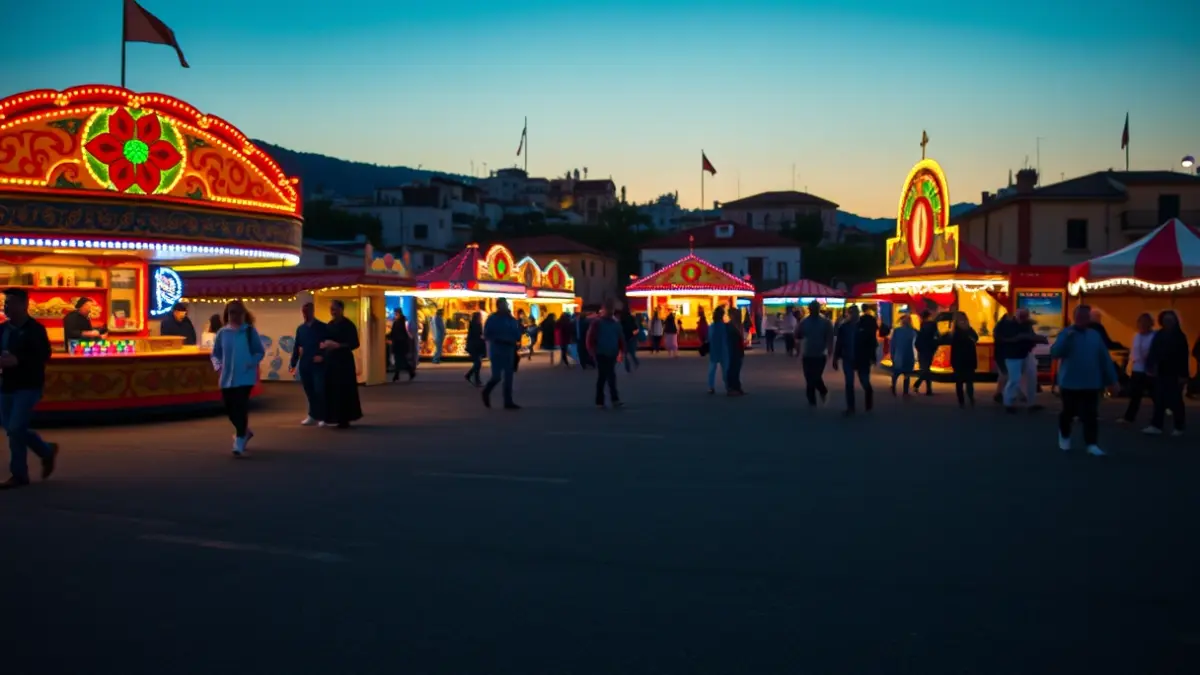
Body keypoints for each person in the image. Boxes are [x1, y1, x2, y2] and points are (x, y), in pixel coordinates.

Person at [0, 288, 58, 488]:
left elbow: (44, 355)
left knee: (15, 428)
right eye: (5, 303)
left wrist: (18, 360)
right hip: (6, 385)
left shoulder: (35, 329)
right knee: (12, 428)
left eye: (11, 303)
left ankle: (19, 474)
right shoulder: (3, 329)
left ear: (24, 305)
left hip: (28, 385)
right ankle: (46, 450)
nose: (7, 307)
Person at [1051, 305, 1118, 455]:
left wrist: (1112, 380)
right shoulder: (1066, 333)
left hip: (1091, 382)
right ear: (1075, 317)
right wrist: (1066, 341)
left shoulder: (1095, 335)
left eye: (1085, 316)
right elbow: (1055, 353)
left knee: (1091, 414)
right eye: (1079, 316)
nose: (1082, 319)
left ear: (1088, 318)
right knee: (1068, 412)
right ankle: (1065, 437)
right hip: (1070, 382)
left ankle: (1091, 443)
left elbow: (1104, 359)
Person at [210, 300, 265, 456]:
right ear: (227, 314)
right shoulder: (222, 333)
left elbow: (259, 351)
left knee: (240, 408)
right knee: (230, 409)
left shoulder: (249, 331)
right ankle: (244, 431)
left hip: (245, 377)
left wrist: (251, 362)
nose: (234, 315)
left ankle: (239, 440)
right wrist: (218, 366)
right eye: (231, 312)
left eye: (237, 312)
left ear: (243, 314)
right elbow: (215, 354)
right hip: (227, 377)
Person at [1144, 309, 1189, 436]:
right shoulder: (1159, 335)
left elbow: (1183, 356)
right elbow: (1153, 351)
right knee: (1159, 399)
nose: (1167, 322)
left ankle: (1179, 426)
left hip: (1174, 373)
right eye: (1165, 320)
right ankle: (1156, 425)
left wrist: (1183, 375)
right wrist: (1151, 366)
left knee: (1176, 400)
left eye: (1170, 320)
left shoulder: (1180, 336)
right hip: (1161, 372)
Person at [320, 299, 362, 428]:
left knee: (343, 389)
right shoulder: (330, 324)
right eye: (331, 309)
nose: (332, 312)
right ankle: (331, 416)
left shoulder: (348, 325)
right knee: (331, 389)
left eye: (334, 309)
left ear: (341, 310)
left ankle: (344, 418)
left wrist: (338, 345)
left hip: (344, 362)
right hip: (331, 361)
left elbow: (355, 343)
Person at [289, 302, 328, 426]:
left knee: (319, 390)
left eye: (307, 311)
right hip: (305, 363)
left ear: (312, 311)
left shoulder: (322, 327)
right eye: (303, 312)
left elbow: (327, 345)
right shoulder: (301, 329)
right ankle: (313, 415)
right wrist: (293, 362)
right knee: (309, 390)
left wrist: (323, 356)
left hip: (318, 364)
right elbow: (297, 346)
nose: (305, 314)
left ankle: (323, 416)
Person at [832, 304, 876, 414]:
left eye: (855, 312)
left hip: (862, 358)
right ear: (848, 313)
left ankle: (868, 400)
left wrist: (872, 357)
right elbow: (839, 343)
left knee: (864, 381)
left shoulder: (865, 326)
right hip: (848, 358)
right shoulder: (844, 327)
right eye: (851, 312)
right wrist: (835, 358)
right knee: (849, 383)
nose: (853, 315)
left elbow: (872, 342)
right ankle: (850, 407)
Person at [1003, 308, 1046, 413]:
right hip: (1013, 355)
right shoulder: (1009, 326)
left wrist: (1035, 338)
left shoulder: (1026, 325)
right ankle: (1009, 403)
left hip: (1025, 353)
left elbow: (1030, 336)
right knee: (1015, 379)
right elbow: (1005, 339)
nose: (1024, 318)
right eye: (1022, 316)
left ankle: (1029, 402)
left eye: (1025, 316)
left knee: (1031, 377)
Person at [482, 298, 521, 410]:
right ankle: (486, 391)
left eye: (506, 304)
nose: (505, 306)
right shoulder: (492, 319)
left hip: (509, 350)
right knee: (497, 376)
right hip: (497, 350)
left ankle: (508, 401)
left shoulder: (511, 319)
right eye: (503, 304)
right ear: (498, 306)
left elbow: (517, 334)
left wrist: (516, 338)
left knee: (509, 376)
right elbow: (487, 334)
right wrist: (499, 338)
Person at [587, 300, 625, 409]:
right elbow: (590, 338)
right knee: (605, 376)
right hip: (601, 353)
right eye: (608, 309)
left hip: (612, 353)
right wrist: (592, 351)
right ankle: (607, 400)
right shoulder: (597, 323)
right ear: (603, 310)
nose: (610, 311)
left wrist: (621, 351)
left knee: (607, 376)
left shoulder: (615, 323)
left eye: (611, 309)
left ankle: (607, 400)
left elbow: (620, 338)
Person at [796, 300, 834, 406]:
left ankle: (823, 391)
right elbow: (798, 335)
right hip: (807, 353)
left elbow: (830, 338)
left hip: (820, 354)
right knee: (809, 378)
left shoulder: (826, 322)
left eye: (815, 308)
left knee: (816, 376)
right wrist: (798, 350)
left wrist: (830, 351)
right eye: (812, 308)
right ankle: (811, 400)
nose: (813, 310)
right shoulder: (804, 322)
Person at [1119, 313, 1155, 425]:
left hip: (1150, 369)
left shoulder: (1154, 336)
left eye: (1145, 323)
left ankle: (1160, 415)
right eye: (1140, 323)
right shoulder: (1136, 336)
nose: (1142, 325)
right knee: (1135, 395)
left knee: (1155, 394)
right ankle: (1129, 417)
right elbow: (1134, 353)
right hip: (1137, 369)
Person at [943, 312, 979, 408]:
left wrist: (969, 331)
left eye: (964, 319)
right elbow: (948, 340)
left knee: (969, 381)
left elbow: (976, 338)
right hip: (958, 359)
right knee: (959, 381)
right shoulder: (955, 332)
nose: (962, 321)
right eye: (960, 320)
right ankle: (961, 400)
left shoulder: (969, 330)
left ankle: (970, 397)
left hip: (969, 358)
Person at [991, 311, 1017, 404]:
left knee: (1003, 374)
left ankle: (999, 393)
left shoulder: (999, 326)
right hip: (1005, 353)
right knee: (1005, 374)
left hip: (1000, 353)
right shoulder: (1010, 327)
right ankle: (1000, 393)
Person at [889, 314, 917, 396]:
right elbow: (915, 344)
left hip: (898, 355)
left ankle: (893, 387)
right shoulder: (913, 331)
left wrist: (892, 354)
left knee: (896, 372)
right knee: (907, 374)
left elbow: (893, 344)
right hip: (909, 354)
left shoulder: (897, 331)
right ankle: (905, 391)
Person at [911, 310, 938, 395]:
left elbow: (920, 337)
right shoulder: (933, 325)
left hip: (922, 348)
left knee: (925, 369)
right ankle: (927, 389)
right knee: (926, 369)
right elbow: (936, 336)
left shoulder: (922, 325)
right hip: (929, 348)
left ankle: (921, 386)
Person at [707, 306, 729, 394]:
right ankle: (728, 386)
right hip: (724, 349)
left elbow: (709, 337)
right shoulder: (725, 326)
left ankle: (711, 386)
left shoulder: (712, 326)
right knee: (725, 369)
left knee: (712, 369)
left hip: (714, 349)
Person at [725, 307, 746, 395]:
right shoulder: (730, 326)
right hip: (733, 350)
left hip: (737, 350)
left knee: (736, 370)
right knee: (733, 369)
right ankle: (732, 388)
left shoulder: (736, 325)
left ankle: (736, 387)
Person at [390, 309, 414, 382]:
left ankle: (408, 372)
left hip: (400, 344)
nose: (395, 315)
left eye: (396, 313)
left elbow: (396, 332)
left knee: (401, 360)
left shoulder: (400, 322)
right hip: (400, 343)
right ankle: (398, 375)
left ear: (399, 313)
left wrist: (389, 337)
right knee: (400, 360)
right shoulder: (400, 322)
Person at [464, 311, 485, 386]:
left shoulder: (473, 324)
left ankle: (471, 376)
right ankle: (475, 379)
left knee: (477, 363)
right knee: (478, 363)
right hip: (475, 346)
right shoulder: (477, 325)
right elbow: (478, 335)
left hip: (473, 345)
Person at [619, 308, 640, 372]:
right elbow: (636, 328)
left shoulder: (622, 319)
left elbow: (620, 329)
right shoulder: (632, 319)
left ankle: (627, 367)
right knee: (632, 353)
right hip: (632, 338)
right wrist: (634, 335)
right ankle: (636, 362)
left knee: (625, 354)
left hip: (625, 338)